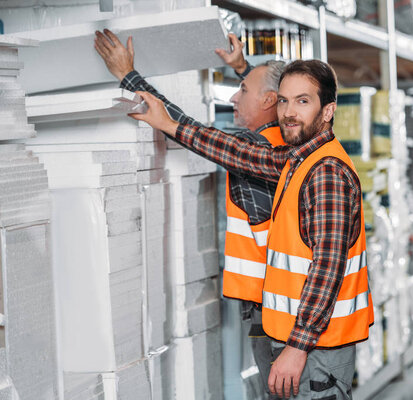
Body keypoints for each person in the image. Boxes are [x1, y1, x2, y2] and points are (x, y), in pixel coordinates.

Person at [122, 58, 374, 399]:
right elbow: (233, 151)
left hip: (317, 350)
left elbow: (327, 268)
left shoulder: (326, 172)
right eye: (283, 100)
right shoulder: (296, 160)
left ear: (327, 111)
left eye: (303, 101)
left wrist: (297, 348)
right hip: (302, 342)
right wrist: (168, 124)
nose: (288, 112)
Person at [94, 30, 286, 395]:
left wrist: (128, 76)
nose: (233, 95)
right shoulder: (292, 141)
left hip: (277, 312)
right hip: (278, 306)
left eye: (243, 89)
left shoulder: (256, 149)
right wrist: (244, 68)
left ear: (270, 101)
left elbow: (186, 126)